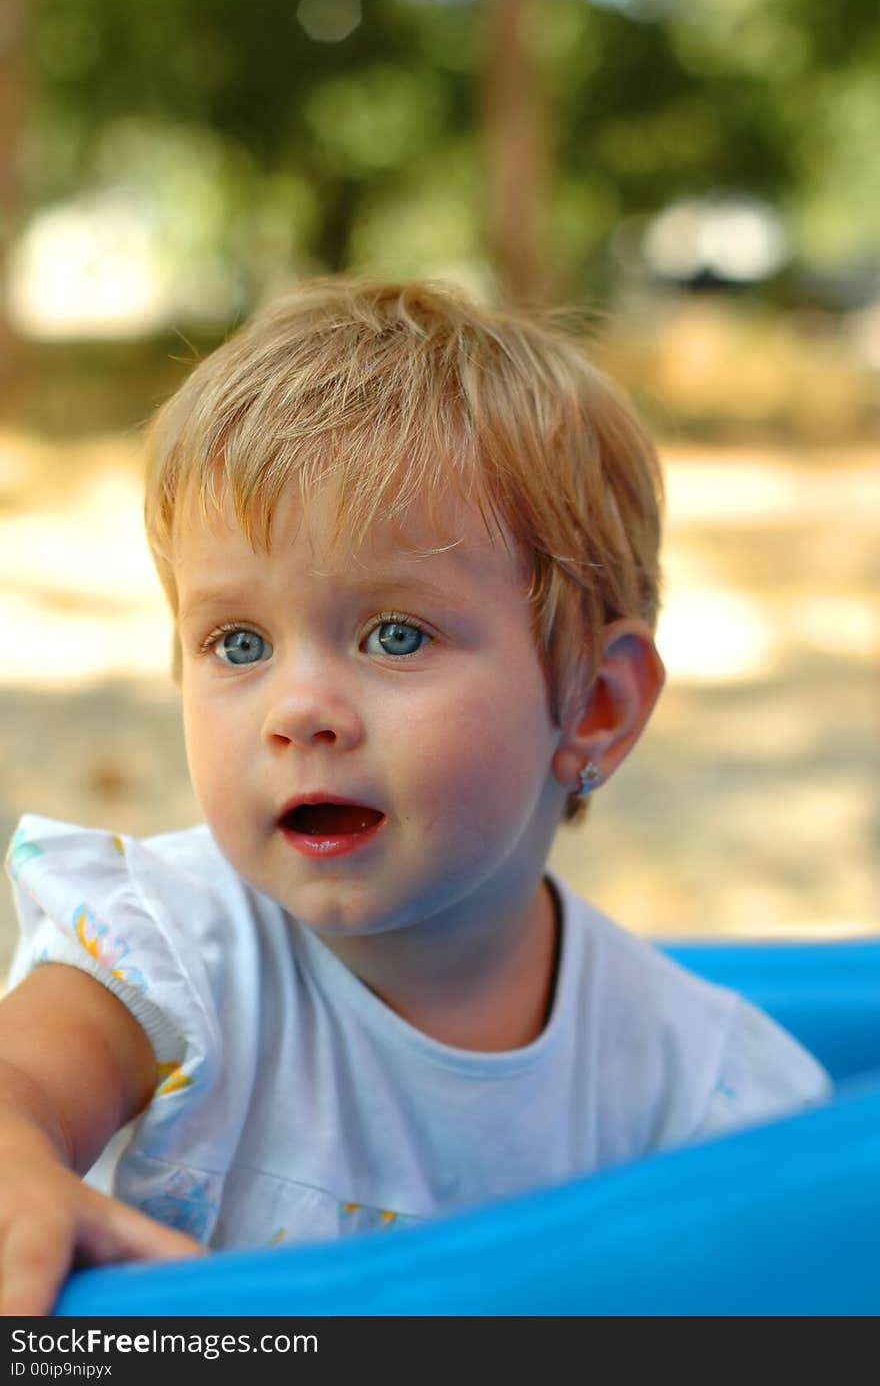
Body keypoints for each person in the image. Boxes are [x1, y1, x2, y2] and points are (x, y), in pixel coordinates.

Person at [2, 277, 830, 1315]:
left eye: (396, 634)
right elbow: (22, 1082)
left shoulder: (707, 1091)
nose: (297, 709)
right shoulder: (168, 956)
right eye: (238, 643)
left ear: (596, 707)